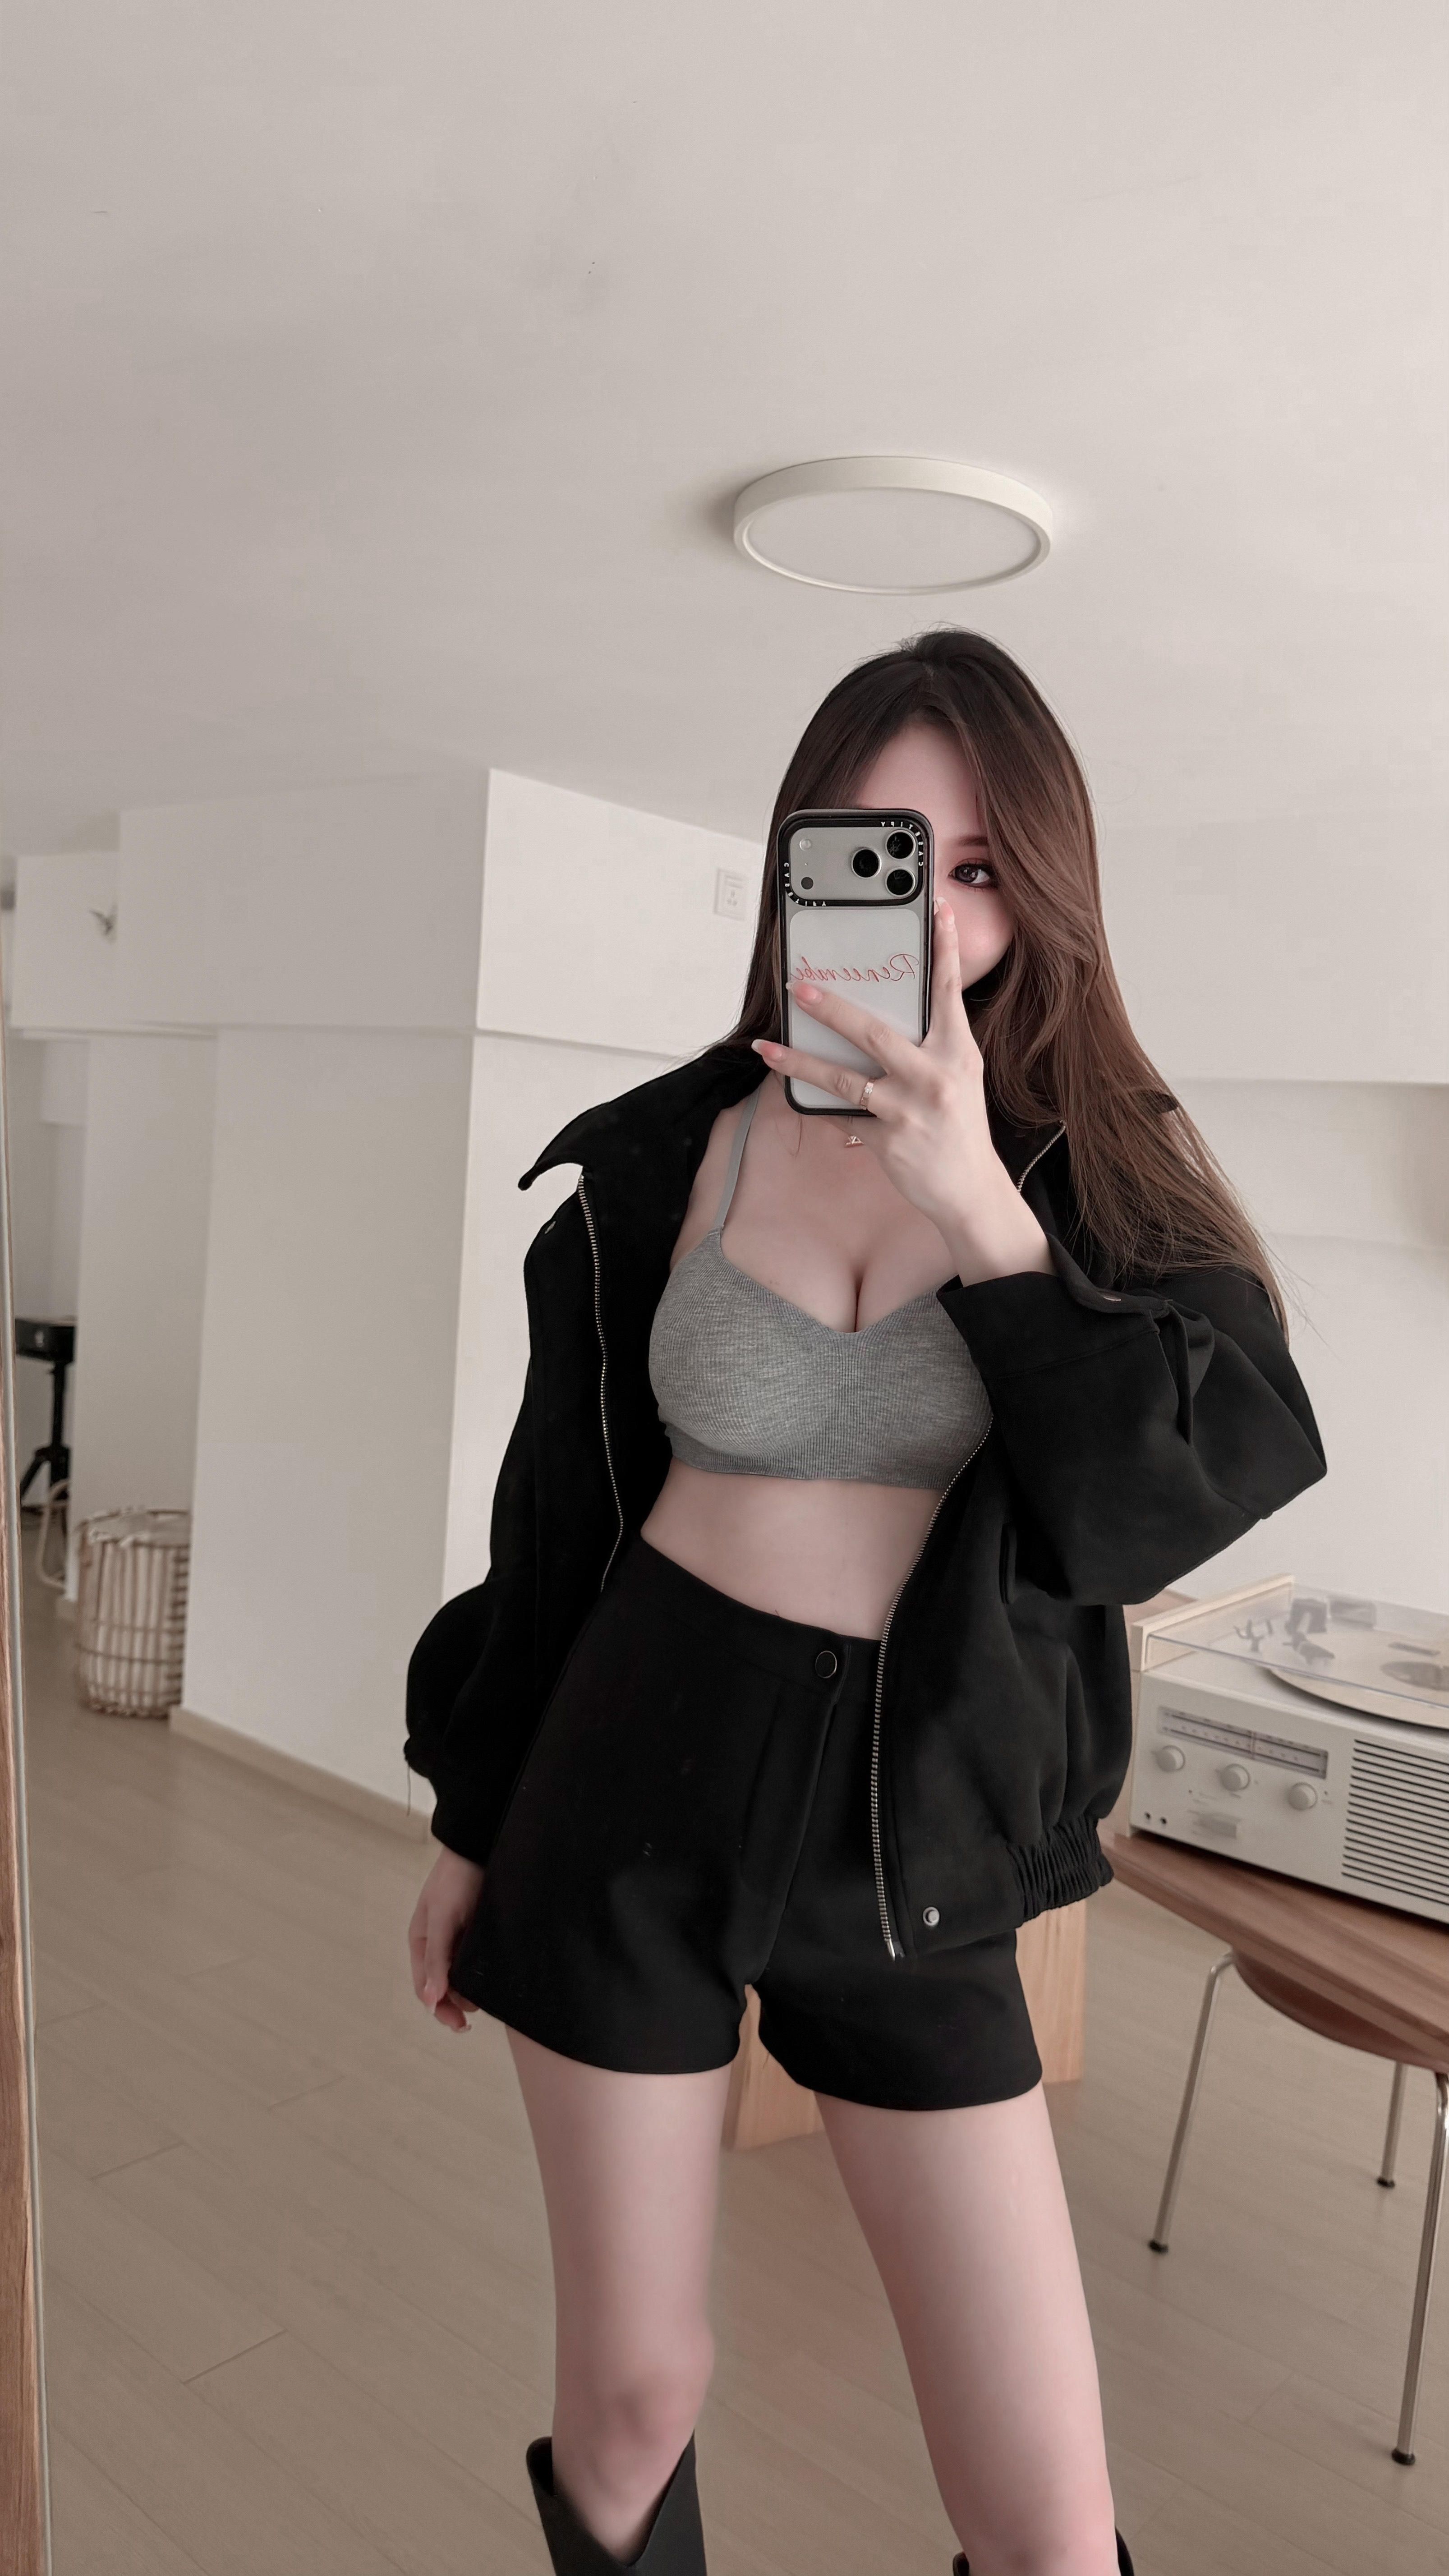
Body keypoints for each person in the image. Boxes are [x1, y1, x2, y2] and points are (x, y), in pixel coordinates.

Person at [405, 631, 1327, 2576]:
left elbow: (1167, 1501)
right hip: (627, 1787)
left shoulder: (1096, 1176)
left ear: (1041, 890)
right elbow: (555, 1524)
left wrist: (983, 1209)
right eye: (881, 851)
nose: (931, 906)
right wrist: (471, 1822)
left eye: (977, 866)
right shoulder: (667, 1158)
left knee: (1046, 2511)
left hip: (917, 1838)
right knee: (632, 2398)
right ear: (801, 861)